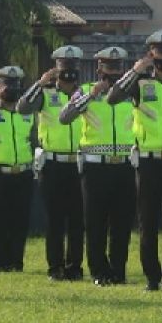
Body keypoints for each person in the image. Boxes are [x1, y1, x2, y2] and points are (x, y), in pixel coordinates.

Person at [108, 28, 162, 291]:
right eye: (159, 51)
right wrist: (136, 70)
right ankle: (152, 277)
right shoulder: (140, 83)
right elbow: (113, 97)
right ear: (151, 54)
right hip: (149, 162)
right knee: (148, 222)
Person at [60, 46, 136, 286]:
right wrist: (91, 95)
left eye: (117, 68)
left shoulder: (132, 93)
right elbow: (65, 117)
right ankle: (99, 271)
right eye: (108, 67)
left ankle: (118, 270)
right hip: (95, 168)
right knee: (95, 222)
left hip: (124, 165)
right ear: (99, 68)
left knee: (122, 223)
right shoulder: (83, 91)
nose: (113, 72)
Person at [17, 45, 85, 281]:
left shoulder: (83, 94)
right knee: (55, 219)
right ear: (56, 69)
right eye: (64, 67)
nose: (69, 72)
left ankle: (74, 267)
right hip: (53, 164)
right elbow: (22, 107)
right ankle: (55, 267)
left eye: (73, 66)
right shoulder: (45, 94)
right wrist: (39, 82)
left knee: (77, 219)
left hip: (79, 163)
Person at [0, 65, 36, 273]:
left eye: (15, 85)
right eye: (7, 85)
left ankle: (16, 261)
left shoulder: (27, 113)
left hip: (22, 173)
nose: (12, 89)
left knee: (20, 220)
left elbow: (34, 139)